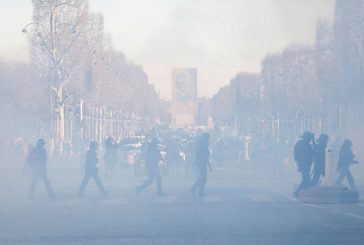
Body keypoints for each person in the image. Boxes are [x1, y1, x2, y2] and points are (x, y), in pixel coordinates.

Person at [293, 132, 314, 198]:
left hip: (302, 163)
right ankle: (297, 192)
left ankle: (301, 191)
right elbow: (311, 153)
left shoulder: (299, 144)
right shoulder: (306, 145)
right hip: (304, 163)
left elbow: (296, 155)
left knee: (306, 178)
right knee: (306, 178)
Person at [190, 133, 212, 197]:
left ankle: (196, 189)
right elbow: (205, 156)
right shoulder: (203, 145)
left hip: (201, 163)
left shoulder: (201, 144)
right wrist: (209, 164)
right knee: (203, 178)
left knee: (203, 178)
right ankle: (196, 190)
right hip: (201, 163)